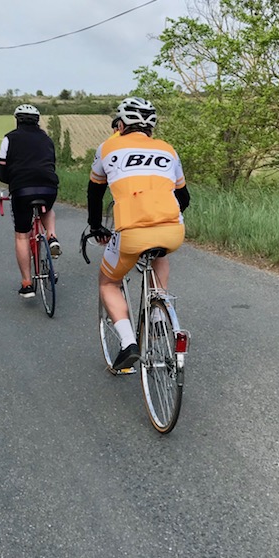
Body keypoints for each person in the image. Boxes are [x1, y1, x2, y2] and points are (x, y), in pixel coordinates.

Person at [88, 96, 189, 371]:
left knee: (108, 282)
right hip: (172, 230)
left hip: (131, 233)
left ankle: (127, 342)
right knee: (160, 251)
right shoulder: (168, 149)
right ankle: (159, 310)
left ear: (120, 124)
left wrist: (96, 226)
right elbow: (184, 197)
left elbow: (95, 192)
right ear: (151, 128)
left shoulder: (107, 147)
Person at [0, 104, 61, 298]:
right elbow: (51, 164)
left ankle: (27, 283)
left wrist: (14, 182)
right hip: (48, 186)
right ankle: (51, 236)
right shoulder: (47, 139)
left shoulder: (9, 138)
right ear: (37, 120)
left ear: (17, 120)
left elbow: (2, 173)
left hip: (22, 188)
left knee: (22, 236)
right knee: (47, 210)